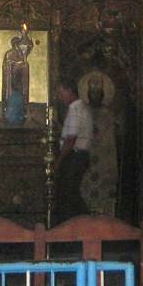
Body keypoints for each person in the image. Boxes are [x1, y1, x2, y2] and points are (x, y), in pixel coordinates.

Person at [54, 78, 92, 222]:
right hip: (80, 156)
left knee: (68, 193)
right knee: (70, 192)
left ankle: (82, 223)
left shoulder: (75, 109)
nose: (60, 97)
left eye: (61, 93)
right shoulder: (82, 107)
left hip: (74, 157)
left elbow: (71, 139)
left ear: (70, 91)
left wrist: (59, 160)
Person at [81, 75, 119, 217]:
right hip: (86, 162)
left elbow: (111, 138)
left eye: (98, 92)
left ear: (103, 94)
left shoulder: (108, 114)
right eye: (92, 92)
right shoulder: (82, 112)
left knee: (105, 198)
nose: (95, 95)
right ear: (88, 94)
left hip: (105, 164)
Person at [1, 36, 31, 126]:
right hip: (10, 78)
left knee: (19, 98)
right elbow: (6, 64)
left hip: (19, 78)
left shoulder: (21, 54)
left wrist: (22, 65)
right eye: (16, 44)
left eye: (18, 44)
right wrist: (14, 64)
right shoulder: (9, 53)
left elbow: (24, 63)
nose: (17, 45)